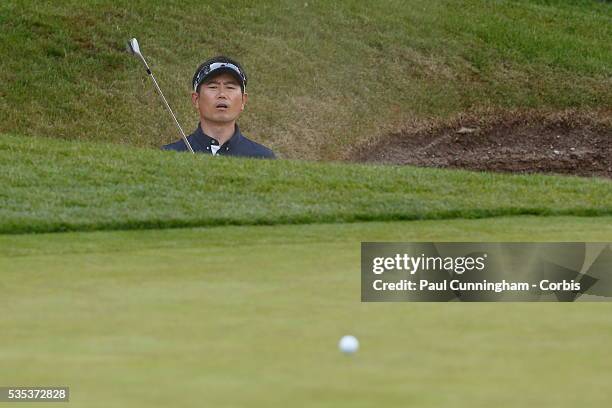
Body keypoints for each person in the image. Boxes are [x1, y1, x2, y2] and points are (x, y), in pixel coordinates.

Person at [162, 56, 275, 158]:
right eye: (213, 87)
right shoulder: (169, 155)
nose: (222, 94)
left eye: (230, 87)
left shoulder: (263, 158)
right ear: (196, 99)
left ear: (243, 101)